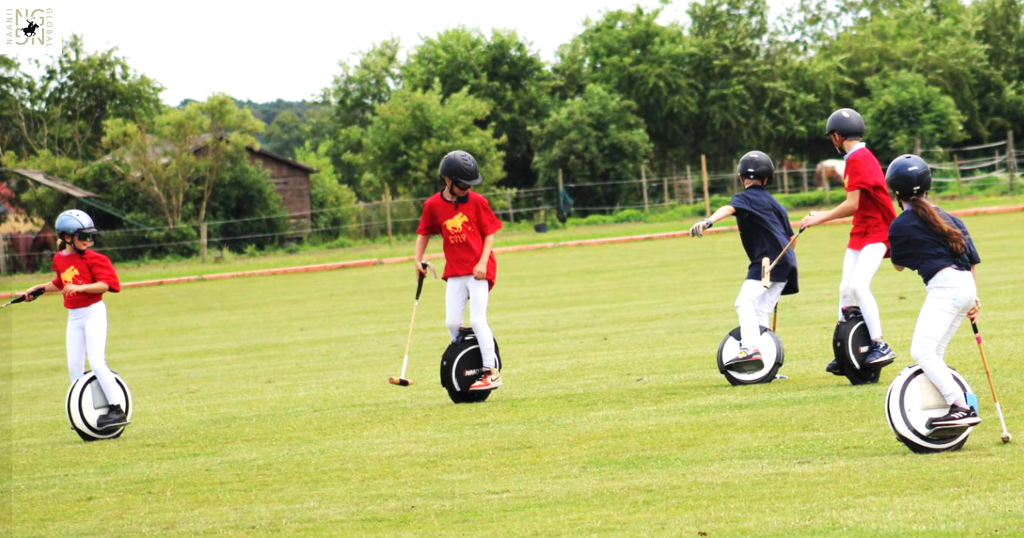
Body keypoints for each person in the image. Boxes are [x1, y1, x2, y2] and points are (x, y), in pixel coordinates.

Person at [886, 155, 981, 428]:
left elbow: (898, 266)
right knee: (934, 352)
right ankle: (951, 405)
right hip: (964, 287)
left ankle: (960, 406)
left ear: (896, 191)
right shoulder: (949, 216)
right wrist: (974, 297)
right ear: (928, 185)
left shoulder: (900, 225)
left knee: (922, 351)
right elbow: (971, 259)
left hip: (945, 289)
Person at [799, 108, 898, 374]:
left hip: (877, 232)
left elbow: (852, 204)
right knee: (845, 289)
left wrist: (821, 217)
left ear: (837, 136)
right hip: (860, 231)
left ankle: (879, 344)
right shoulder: (857, 157)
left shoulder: (859, 159)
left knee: (859, 286)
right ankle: (844, 350)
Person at [690, 151, 799, 372]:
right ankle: (765, 367)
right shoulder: (777, 205)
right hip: (786, 263)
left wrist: (708, 221)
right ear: (768, 179)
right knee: (759, 311)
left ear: (741, 178)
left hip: (768, 262)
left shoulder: (743, 198)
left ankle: (750, 349)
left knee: (745, 302)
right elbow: (790, 240)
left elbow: (729, 209)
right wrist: (781, 271)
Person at [19, 210, 128, 430]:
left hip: (93, 312)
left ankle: (117, 409)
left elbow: (105, 285)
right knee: (74, 367)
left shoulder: (96, 259)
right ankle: (83, 411)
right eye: (83, 236)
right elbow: (61, 282)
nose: (89, 241)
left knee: (97, 362)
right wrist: (39, 289)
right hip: (74, 316)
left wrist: (81, 287)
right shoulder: (59, 258)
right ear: (67, 237)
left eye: (90, 236)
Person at [414, 150, 504, 390]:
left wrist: (483, 262)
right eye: (463, 184)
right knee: (452, 323)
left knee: (477, 319)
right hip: (454, 271)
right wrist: (418, 260)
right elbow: (424, 233)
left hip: (479, 271)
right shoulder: (433, 205)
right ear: (448, 181)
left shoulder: (477, 201)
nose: (467, 189)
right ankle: (465, 355)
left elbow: (490, 233)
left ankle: (491, 371)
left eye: (470, 184)